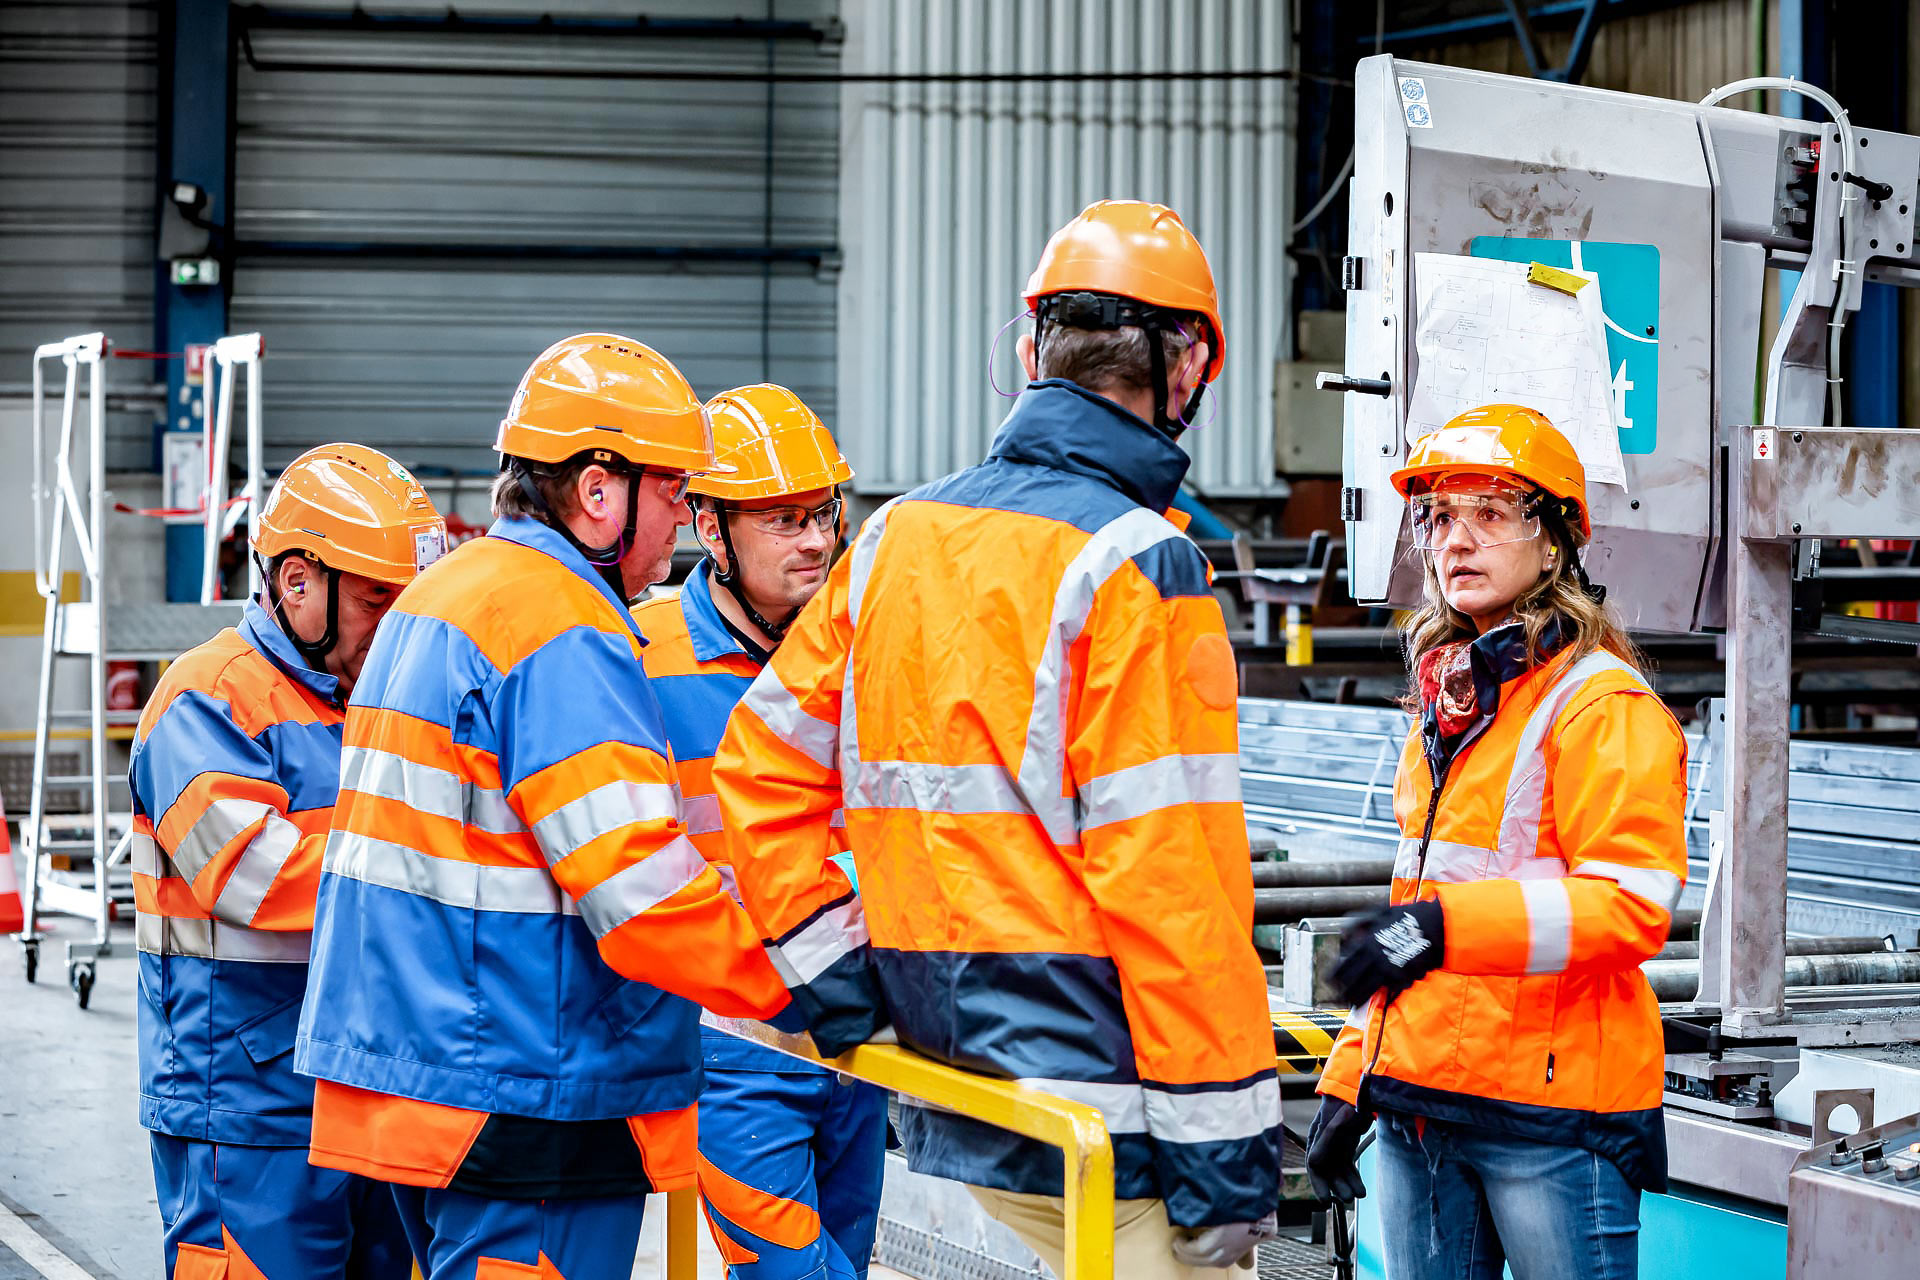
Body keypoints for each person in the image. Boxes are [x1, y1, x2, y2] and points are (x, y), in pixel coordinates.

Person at [712, 201, 1283, 1278]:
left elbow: (757, 764)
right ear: (1191, 366)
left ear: (1030, 353)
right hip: (1107, 1127)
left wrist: (837, 976)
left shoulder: (894, 536)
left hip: (951, 1091)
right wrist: (1225, 1157)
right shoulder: (1140, 564)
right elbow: (1175, 888)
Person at [294, 334, 792, 1279]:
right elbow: (641, 887)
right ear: (601, 492)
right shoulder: (560, 622)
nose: (683, 521)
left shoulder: (441, 596)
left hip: (416, 1070)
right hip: (525, 1082)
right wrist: (806, 977)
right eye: (674, 492)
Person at [1304, 404, 1688, 1280]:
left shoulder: (1601, 706)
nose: (1456, 540)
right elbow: (1414, 910)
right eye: (1439, 516)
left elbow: (1631, 907)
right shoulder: (1451, 702)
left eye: (1490, 512)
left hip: (1551, 1121)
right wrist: (1350, 1077)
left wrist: (1444, 929)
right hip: (1422, 1110)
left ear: (1553, 544)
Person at [131, 443, 447, 1278]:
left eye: (413, 603)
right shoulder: (206, 698)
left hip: (369, 1090)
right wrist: (442, 864)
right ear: (299, 582)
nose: (398, 627)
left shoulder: (384, 706)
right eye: (378, 599)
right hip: (244, 1105)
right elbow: (253, 876)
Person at [633, 383, 887, 1280]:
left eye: (823, 514)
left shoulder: (865, 648)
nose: (815, 540)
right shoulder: (639, 655)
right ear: (710, 528)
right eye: (782, 520)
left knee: (848, 1263)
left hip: (857, 1039)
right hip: (727, 1044)